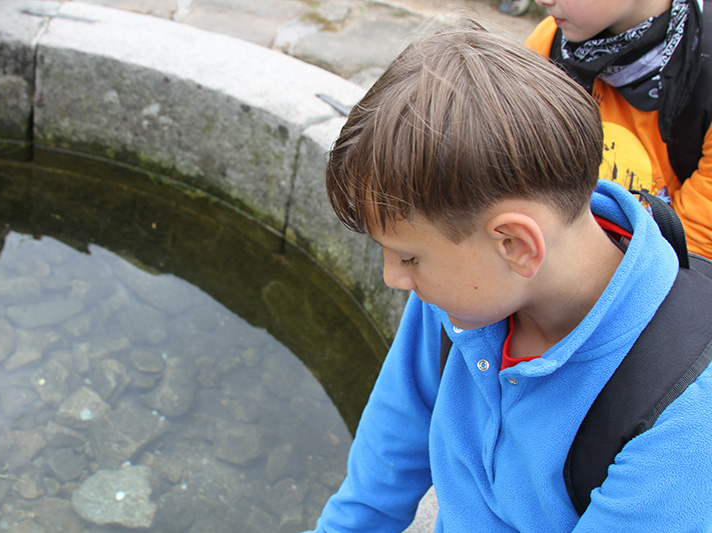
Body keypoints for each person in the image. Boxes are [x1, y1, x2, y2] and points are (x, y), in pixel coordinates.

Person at [305, 24, 712, 532]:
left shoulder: (682, 422)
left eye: (408, 258)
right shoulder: (459, 300)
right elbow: (381, 469)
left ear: (515, 244)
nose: (394, 278)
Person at [526, 0, 712, 259]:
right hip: (553, 249)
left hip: (655, 262)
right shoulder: (549, 42)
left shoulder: (703, 67)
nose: (542, 1)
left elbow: (693, 244)